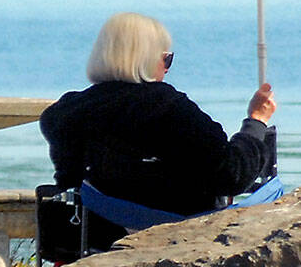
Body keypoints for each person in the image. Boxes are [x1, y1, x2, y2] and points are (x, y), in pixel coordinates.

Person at [40, 12, 277, 246]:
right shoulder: (167, 108)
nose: (167, 68)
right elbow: (232, 175)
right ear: (145, 58)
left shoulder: (67, 112)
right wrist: (256, 122)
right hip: (176, 239)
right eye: (166, 59)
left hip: (95, 238)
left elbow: (68, 181)